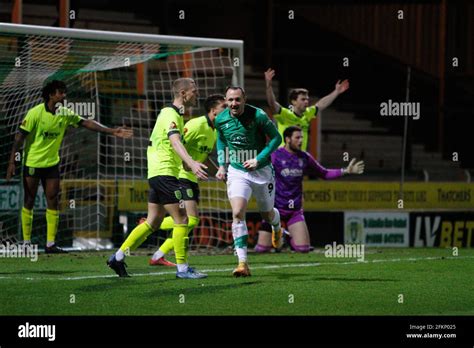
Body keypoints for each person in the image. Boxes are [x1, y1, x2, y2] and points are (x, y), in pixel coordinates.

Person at [5, 80, 133, 253]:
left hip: (52, 164)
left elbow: (86, 122)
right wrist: (12, 161)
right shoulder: (35, 113)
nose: (64, 95)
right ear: (51, 95)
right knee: (29, 200)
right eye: (60, 92)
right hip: (32, 164)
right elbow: (19, 137)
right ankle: (26, 243)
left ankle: (50, 244)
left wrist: (111, 131)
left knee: (53, 200)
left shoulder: (65, 113)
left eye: (64, 92)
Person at [106, 77, 208, 279]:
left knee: (153, 222)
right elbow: (175, 142)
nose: (197, 94)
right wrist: (192, 163)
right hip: (164, 173)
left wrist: (188, 163)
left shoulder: (173, 114)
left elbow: (173, 145)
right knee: (182, 220)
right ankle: (182, 269)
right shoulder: (170, 113)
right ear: (183, 93)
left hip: (157, 173)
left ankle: (117, 258)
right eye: (194, 90)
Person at [254, 126, 364, 253]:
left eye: (302, 137)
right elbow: (259, 171)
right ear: (288, 139)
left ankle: (287, 237)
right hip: (274, 210)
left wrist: (346, 171)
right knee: (262, 249)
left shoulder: (305, 157)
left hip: (294, 211)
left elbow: (325, 173)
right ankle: (280, 233)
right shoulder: (275, 156)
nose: (301, 140)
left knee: (303, 249)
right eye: (297, 137)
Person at [148, 94, 226, 266]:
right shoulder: (196, 124)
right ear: (214, 111)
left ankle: (158, 254)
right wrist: (188, 165)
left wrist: (219, 173)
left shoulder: (214, 131)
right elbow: (177, 144)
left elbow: (204, 157)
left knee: (190, 221)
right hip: (182, 175)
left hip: (192, 177)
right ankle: (155, 225)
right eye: (224, 108)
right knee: (188, 219)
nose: (228, 111)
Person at [215, 86, 282, 277]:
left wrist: (258, 159)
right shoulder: (221, 119)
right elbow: (221, 139)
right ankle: (242, 263)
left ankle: (277, 226)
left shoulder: (259, 115)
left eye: (237, 99)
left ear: (244, 99)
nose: (234, 104)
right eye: (230, 100)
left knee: (267, 215)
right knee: (237, 213)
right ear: (226, 101)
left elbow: (277, 139)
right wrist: (221, 165)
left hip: (262, 171)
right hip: (237, 171)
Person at [264, 68, 349, 151]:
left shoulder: (307, 113)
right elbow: (272, 102)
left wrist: (336, 92)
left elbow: (321, 104)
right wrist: (268, 85)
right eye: (303, 99)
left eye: (307, 99)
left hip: (300, 158)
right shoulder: (285, 115)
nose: (306, 102)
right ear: (294, 101)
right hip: (284, 159)